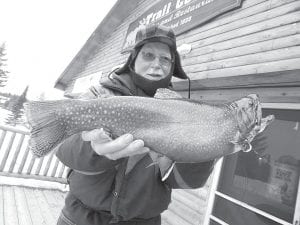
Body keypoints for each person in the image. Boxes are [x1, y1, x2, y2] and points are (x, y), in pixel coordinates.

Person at [56, 24, 215, 225]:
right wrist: (94, 150)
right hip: (79, 218)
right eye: (148, 55)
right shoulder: (100, 95)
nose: (157, 64)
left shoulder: (182, 113)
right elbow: (63, 149)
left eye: (165, 59)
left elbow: (184, 181)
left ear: (173, 66)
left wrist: (208, 148)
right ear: (133, 60)